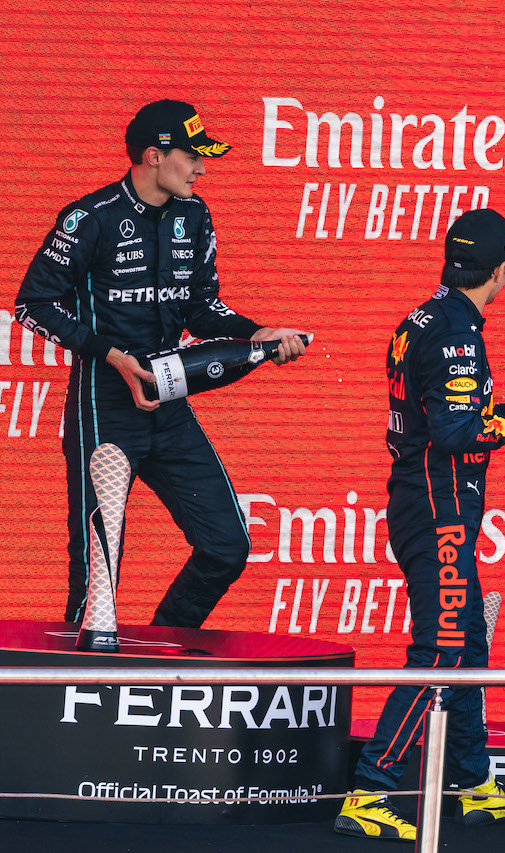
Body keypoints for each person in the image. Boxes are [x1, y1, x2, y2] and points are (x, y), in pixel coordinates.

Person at [13, 99, 307, 629]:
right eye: (193, 157)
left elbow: (201, 306)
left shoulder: (195, 215)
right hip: (105, 404)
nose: (201, 168)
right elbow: (31, 303)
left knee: (226, 547)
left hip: (169, 402)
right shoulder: (90, 218)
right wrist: (109, 354)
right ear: (154, 156)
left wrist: (256, 332)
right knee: (96, 581)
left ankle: (163, 647)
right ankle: (82, 698)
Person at [335, 209, 505, 841]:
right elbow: (453, 431)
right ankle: (371, 789)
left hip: (427, 503)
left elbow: (457, 412)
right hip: (439, 511)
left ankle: (472, 784)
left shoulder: (429, 318)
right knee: (442, 652)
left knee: (467, 643)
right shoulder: (457, 333)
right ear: (499, 269)